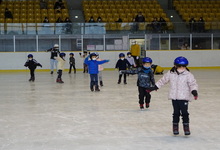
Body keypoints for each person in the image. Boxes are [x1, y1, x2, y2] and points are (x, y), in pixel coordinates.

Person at [146, 56, 198, 136]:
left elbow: (192, 84)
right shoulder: (171, 73)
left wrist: (194, 91)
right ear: (175, 66)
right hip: (174, 97)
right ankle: (175, 127)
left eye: (184, 67)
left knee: (185, 113)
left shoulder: (188, 75)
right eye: (180, 66)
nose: (182, 68)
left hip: (184, 97)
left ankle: (186, 127)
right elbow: (163, 80)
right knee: (176, 113)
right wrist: (155, 87)